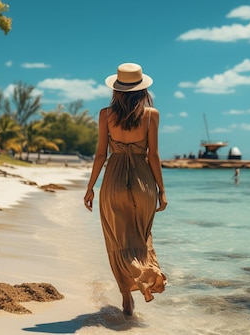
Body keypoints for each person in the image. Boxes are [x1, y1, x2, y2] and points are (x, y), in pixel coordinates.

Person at [84, 62, 168, 316]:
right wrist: (162, 190)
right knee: (141, 238)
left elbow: (100, 154)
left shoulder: (104, 115)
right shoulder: (152, 114)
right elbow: (153, 155)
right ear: (141, 89)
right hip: (143, 183)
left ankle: (126, 297)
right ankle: (148, 274)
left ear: (117, 90)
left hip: (113, 182)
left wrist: (90, 188)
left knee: (117, 240)